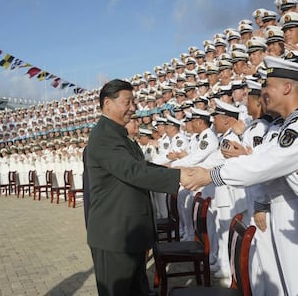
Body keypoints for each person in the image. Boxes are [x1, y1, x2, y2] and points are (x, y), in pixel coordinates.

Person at [182, 56, 298, 295]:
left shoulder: (294, 128)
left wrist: (210, 175)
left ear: (287, 88)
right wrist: (242, 157)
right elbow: (257, 160)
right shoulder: (285, 126)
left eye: (268, 86)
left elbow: (263, 165)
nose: (262, 92)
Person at [86, 79, 184, 296]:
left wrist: (173, 171)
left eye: (134, 102)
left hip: (128, 233)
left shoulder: (117, 134)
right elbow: (133, 172)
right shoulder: (104, 136)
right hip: (115, 235)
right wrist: (179, 177)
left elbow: (140, 166)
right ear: (108, 104)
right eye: (127, 102)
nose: (133, 108)